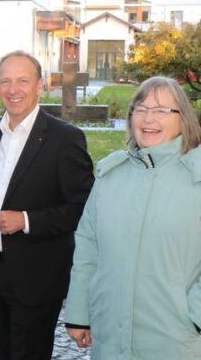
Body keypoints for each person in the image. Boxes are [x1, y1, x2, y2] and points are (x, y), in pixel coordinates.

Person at [64, 76, 201, 359]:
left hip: (175, 341)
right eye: (141, 108)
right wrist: (79, 313)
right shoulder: (110, 176)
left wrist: (195, 317)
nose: (149, 118)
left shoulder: (197, 177)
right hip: (110, 335)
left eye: (162, 110)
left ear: (183, 119)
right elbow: (88, 246)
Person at [0, 51, 94, 360]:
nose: (13, 90)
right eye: (6, 81)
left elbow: (82, 207)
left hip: (37, 276)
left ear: (40, 85)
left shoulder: (64, 138)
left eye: (23, 81)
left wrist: (26, 220)